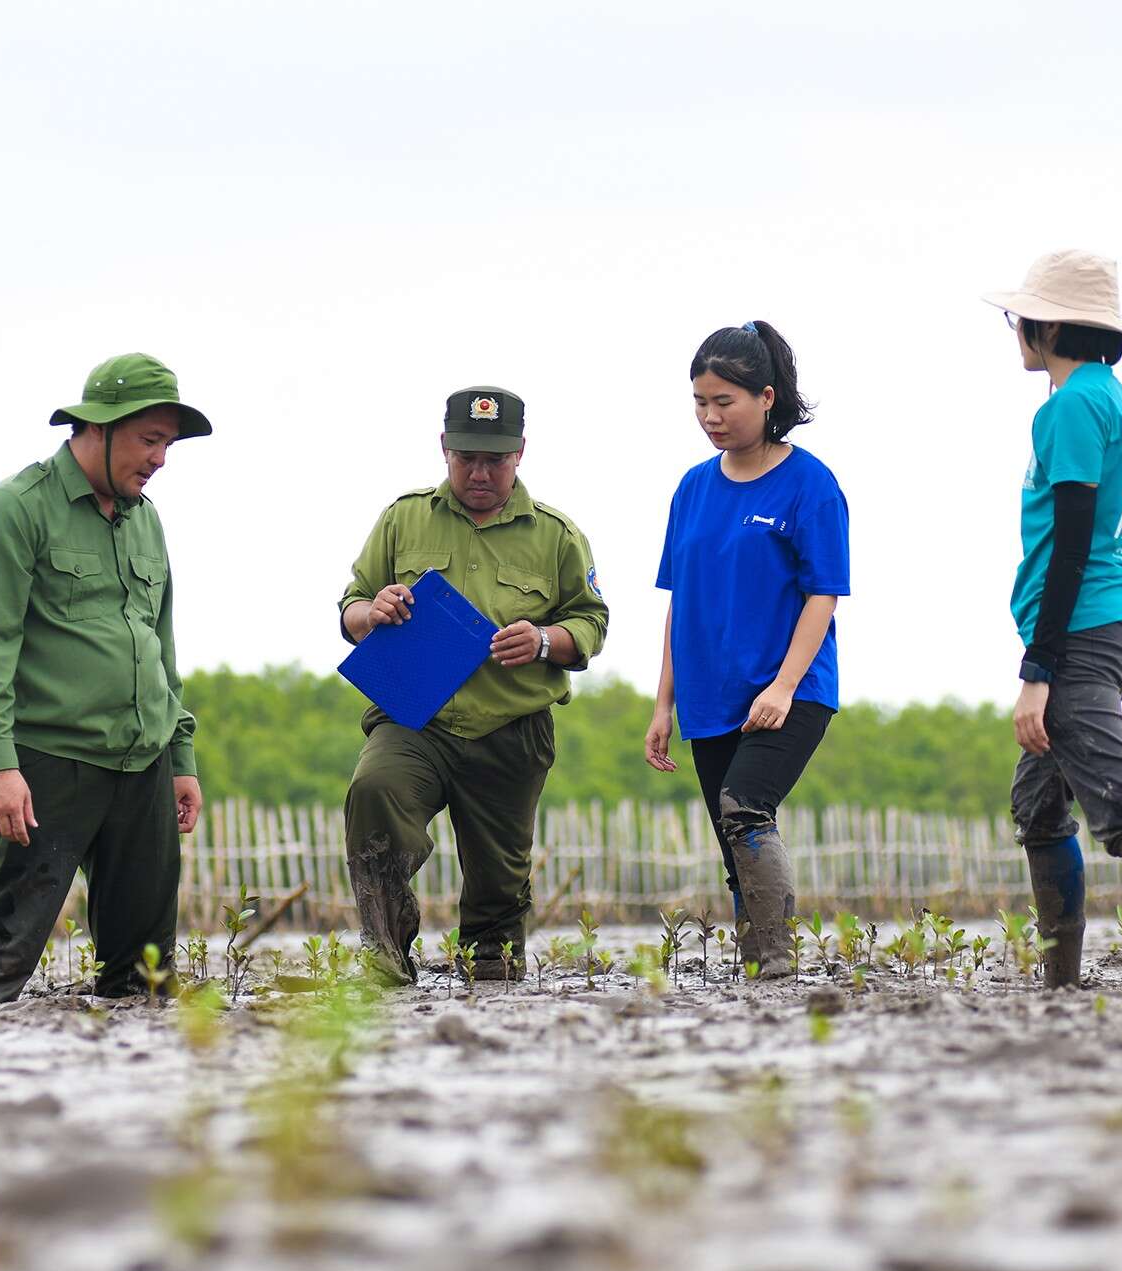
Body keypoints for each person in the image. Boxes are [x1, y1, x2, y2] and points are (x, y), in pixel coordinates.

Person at [0, 353, 211, 1008]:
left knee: (146, 982)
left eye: (168, 445)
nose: (160, 459)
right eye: (150, 441)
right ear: (98, 427)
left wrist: (180, 758)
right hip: (49, 765)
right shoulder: (12, 512)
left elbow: (161, 645)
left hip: (142, 760)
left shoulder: (144, 520)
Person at [339, 387, 608, 985]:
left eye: (495, 459)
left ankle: (490, 972)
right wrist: (372, 611)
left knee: (497, 896)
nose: (480, 472)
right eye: (466, 458)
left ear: (520, 453)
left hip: (511, 729)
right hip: (415, 718)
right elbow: (351, 606)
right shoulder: (403, 518)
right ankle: (384, 950)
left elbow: (591, 620)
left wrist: (543, 641)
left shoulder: (556, 534)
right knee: (375, 789)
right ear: (444, 449)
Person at [983, 250, 1122, 988]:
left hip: (1080, 631)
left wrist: (1037, 671)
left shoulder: (1071, 406)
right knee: (1037, 806)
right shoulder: (1121, 404)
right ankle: (1060, 984)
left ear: (1048, 327)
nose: (1016, 332)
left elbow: (1072, 541)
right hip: (1117, 621)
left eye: (1021, 319)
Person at [644, 323, 850, 981]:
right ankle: (758, 974)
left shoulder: (809, 485)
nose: (710, 417)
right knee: (735, 845)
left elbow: (824, 595)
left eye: (724, 402)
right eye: (700, 402)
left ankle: (778, 968)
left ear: (766, 398)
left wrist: (784, 687)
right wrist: (662, 705)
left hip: (789, 691)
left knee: (745, 808)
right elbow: (681, 600)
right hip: (709, 698)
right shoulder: (691, 489)